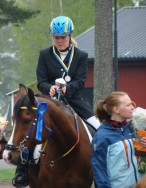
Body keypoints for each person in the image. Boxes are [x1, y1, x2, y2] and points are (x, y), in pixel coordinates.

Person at [12, 15, 100, 187]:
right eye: (56, 37)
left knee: (98, 129)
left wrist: (68, 88)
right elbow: (41, 80)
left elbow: (81, 80)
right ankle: (22, 171)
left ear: (69, 36)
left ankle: (101, 172)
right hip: (49, 103)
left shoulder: (81, 56)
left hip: (74, 101)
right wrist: (49, 88)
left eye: (63, 37)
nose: (59, 40)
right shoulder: (45, 54)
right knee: (31, 132)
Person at [91, 91, 146, 188]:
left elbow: (141, 157)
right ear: (116, 109)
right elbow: (99, 171)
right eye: (128, 105)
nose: (133, 107)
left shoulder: (134, 127)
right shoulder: (102, 136)